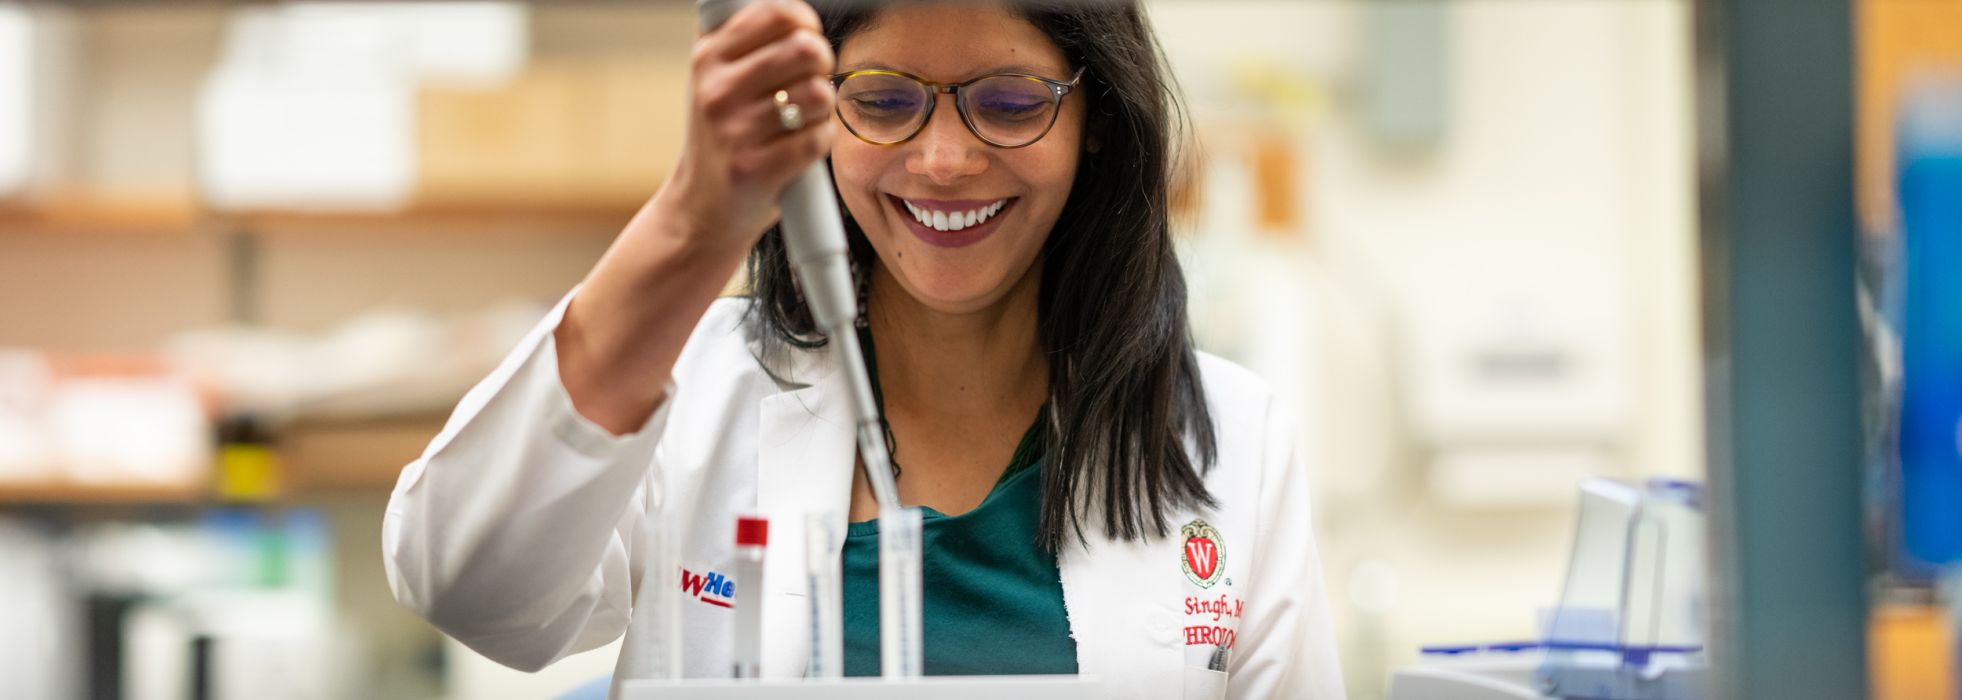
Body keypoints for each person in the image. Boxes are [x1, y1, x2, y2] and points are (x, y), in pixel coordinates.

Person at [381, 0, 1344, 697]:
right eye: (883, 101)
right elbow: (468, 587)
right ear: (819, 117)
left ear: (1095, 122)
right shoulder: (698, 388)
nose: (944, 159)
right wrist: (690, 218)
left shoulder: (1234, 441)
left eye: (1010, 103)